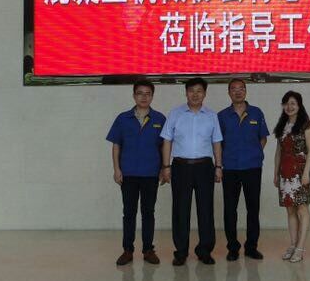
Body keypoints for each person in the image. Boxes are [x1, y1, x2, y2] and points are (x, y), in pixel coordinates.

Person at [160, 77, 223, 266]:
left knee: (206, 210)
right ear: (186, 93)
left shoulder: (211, 116)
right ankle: (181, 252)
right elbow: (167, 141)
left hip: (205, 167)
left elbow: (216, 142)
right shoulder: (175, 114)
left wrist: (218, 166)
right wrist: (166, 166)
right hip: (181, 166)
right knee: (180, 210)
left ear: (205, 93)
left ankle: (205, 250)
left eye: (199, 91)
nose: (195, 94)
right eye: (191, 91)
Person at [106, 79, 167, 266]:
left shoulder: (160, 119)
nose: (144, 97)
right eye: (140, 93)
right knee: (129, 213)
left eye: (148, 94)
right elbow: (116, 145)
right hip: (128, 173)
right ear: (134, 96)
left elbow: (164, 146)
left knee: (148, 212)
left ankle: (148, 250)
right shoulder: (123, 118)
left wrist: (164, 168)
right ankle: (127, 250)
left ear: (152, 96)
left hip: (150, 173)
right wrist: (116, 169)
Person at [218, 78, 269, 261]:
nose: (238, 92)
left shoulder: (256, 112)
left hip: (252, 167)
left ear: (246, 91)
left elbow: (263, 138)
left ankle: (251, 247)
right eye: (234, 89)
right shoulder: (222, 116)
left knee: (253, 208)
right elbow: (218, 142)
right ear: (229, 92)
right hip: (230, 167)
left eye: (241, 88)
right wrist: (220, 163)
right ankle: (232, 247)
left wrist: (254, 153)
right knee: (230, 209)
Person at [273, 91, 310, 263]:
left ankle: (300, 248)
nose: (289, 107)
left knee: (302, 209)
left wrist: (306, 173)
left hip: (300, 172)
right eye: (286, 103)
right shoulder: (282, 125)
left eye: (293, 103)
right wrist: (276, 173)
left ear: (299, 106)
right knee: (290, 209)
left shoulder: (306, 125)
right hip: (285, 172)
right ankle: (292, 244)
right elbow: (279, 151)